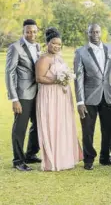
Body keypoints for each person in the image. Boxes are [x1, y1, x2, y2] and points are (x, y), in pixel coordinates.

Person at [74, 24, 111, 170]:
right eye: (91, 32)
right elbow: (78, 78)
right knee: (88, 130)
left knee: (109, 128)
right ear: (87, 33)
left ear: (101, 33)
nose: (95, 34)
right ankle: (88, 159)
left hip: (108, 95)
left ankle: (105, 157)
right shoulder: (80, 52)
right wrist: (80, 101)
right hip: (89, 97)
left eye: (97, 31)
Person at [35, 27, 83, 171]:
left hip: (61, 97)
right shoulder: (44, 59)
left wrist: (65, 79)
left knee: (61, 125)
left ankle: (63, 158)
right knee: (51, 125)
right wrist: (57, 80)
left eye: (59, 44)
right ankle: (52, 160)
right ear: (47, 43)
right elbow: (39, 78)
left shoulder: (59, 58)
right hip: (49, 96)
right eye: (54, 43)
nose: (56, 46)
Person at [6, 19, 41, 171]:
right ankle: (18, 161)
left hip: (38, 92)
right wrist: (14, 99)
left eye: (34, 31)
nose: (31, 34)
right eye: (28, 31)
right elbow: (9, 73)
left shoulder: (38, 46)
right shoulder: (15, 47)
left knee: (38, 124)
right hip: (23, 94)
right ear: (23, 32)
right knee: (20, 128)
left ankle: (30, 154)